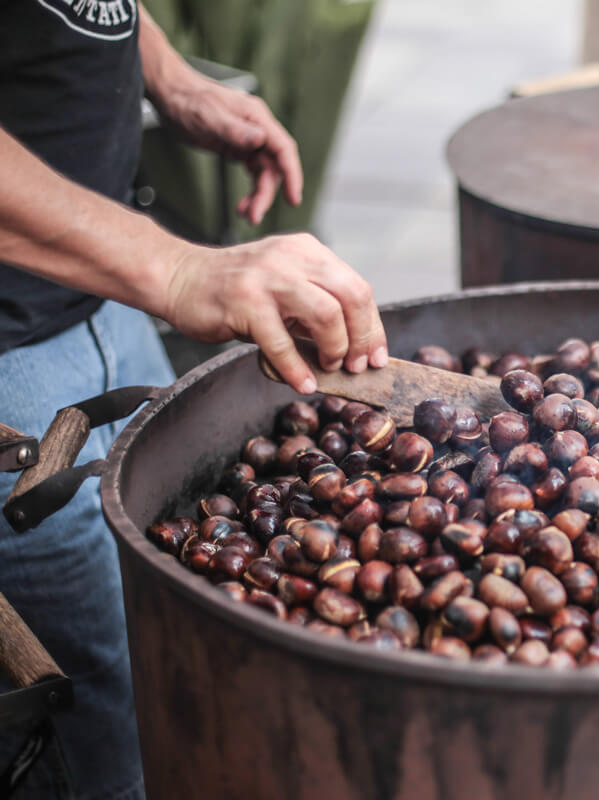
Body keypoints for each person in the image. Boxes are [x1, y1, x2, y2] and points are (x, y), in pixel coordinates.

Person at [0, 3, 387, 798]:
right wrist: (177, 272)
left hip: (102, 291)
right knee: (93, 720)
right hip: (15, 362)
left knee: (157, 657)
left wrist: (166, 75)